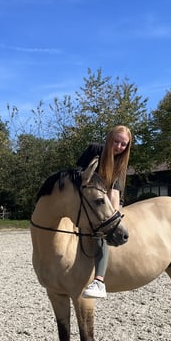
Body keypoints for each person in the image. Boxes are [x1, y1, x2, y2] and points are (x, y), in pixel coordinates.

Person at [76, 125, 132, 299]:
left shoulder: (120, 164)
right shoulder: (93, 150)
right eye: (116, 141)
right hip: (88, 196)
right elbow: (77, 175)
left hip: (107, 198)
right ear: (109, 139)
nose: (119, 147)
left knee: (102, 226)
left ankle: (99, 281)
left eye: (123, 145)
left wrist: (111, 215)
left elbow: (114, 193)